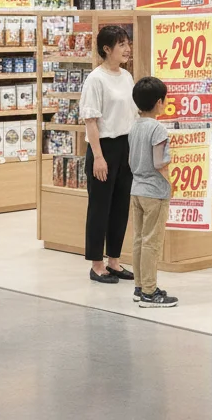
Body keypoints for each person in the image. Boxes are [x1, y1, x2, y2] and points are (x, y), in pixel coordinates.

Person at [80, 24, 138, 284]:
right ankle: (96, 264)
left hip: (126, 147)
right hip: (103, 148)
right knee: (99, 208)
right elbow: (90, 121)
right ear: (106, 49)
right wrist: (99, 157)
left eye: (128, 44)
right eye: (121, 44)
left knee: (120, 208)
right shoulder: (96, 79)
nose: (127, 49)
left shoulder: (126, 77)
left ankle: (114, 261)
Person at [127, 76, 177, 308]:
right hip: (154, 191)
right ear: (159, 102)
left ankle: (140, 287)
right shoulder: (158, 129)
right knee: (152, 242)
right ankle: (149, 291)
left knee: (139, 239)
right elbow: (159, 162)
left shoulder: (134, 126)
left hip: (136, 188)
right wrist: (170, 182)